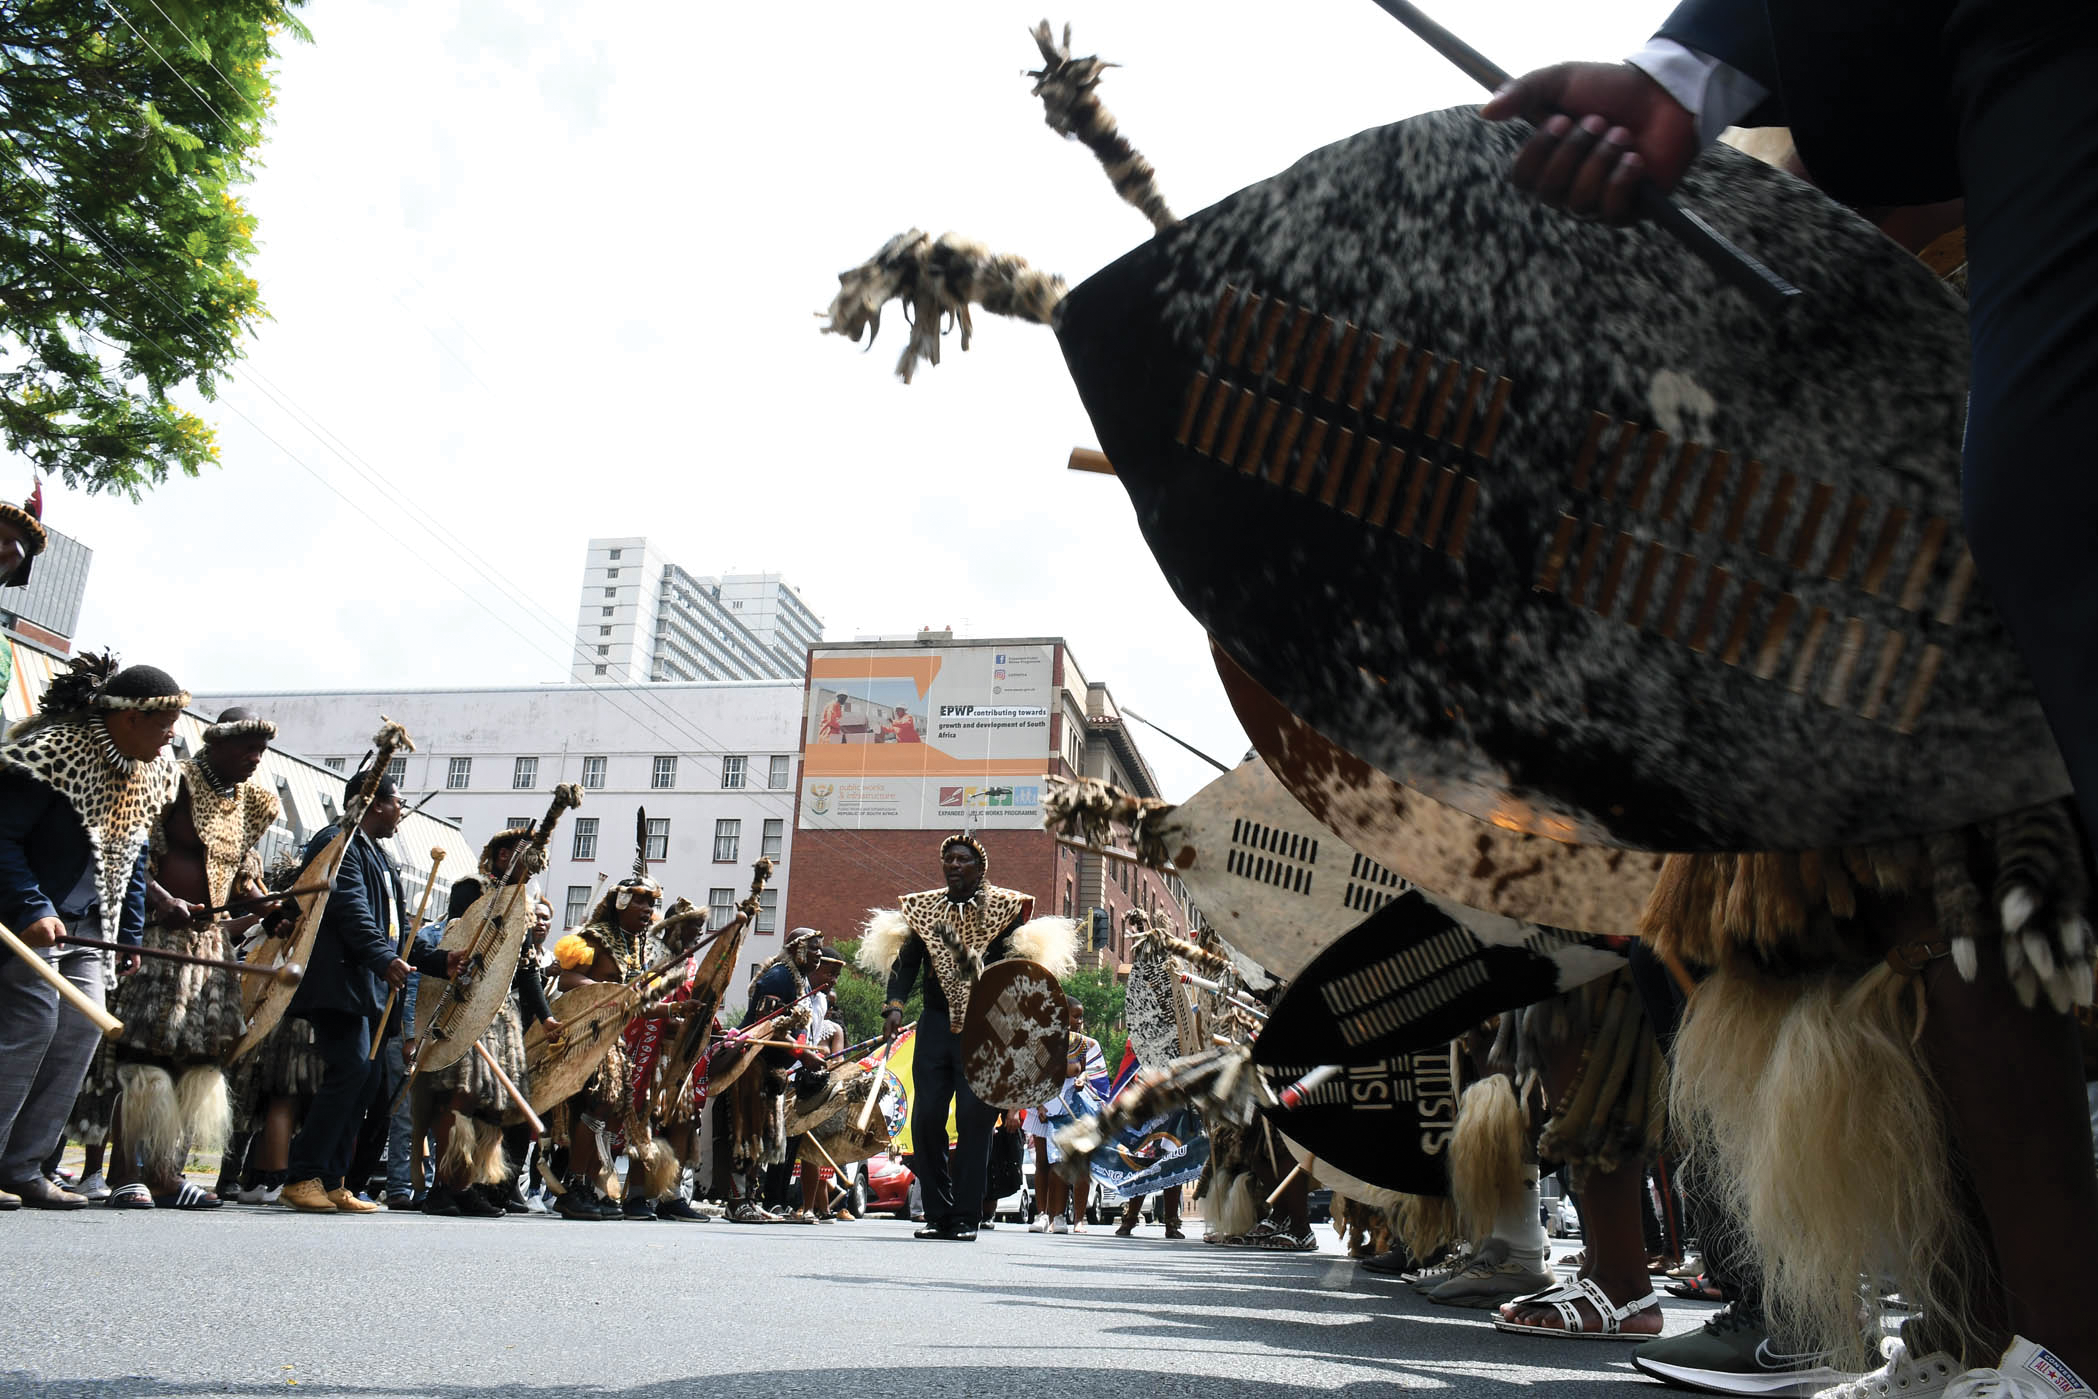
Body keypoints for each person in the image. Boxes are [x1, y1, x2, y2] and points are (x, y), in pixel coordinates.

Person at [1487, 18, 2098, 1390]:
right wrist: (1687, 82)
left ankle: (2053, 1340)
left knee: (1981, 846)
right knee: (1900, 900)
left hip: (1957, 354)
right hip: (1866, 442)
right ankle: (1996, 1337)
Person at [0, 655, 187, 1210]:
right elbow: (2, 839)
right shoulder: (51, 756)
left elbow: (129, 859)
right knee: (33, 1023)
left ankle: (23, 1166)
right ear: (129, 718)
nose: (171, 736)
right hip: (29, 922)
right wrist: (33, 906)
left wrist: (128, 932)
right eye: (163, 722)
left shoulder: (149, 771)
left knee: (79, 1034)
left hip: (88, 928)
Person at [86, 707, 281, 1210]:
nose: (254, 759)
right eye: (246, 748)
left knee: (194, 1060)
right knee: (143, 1054)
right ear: (215, 743)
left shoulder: (252, 802)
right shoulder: (171, 782)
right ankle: (125, 1172)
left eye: (261, 751)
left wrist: (269, 908)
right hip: (157, 939)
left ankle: (167, 1175)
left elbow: (243, 879)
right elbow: (128, 853)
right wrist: (160, 900)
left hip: (209, 950)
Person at [859, 833, 1076, 1241]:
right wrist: (894, 1006)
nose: (954, 866)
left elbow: (1021, 974)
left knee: (974, 1123)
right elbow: (906, 964)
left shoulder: (1008, 909)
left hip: (986, 1032)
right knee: (926, 1119)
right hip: (935, 1025)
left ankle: (965, 1216)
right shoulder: (923, 910)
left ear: (981, 869)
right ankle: (937, 1212)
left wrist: (1020, 1036)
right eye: (949, 860)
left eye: (963, 860)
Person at [278, 769, 459, 1215]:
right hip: (341, 982)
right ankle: (303, 1175)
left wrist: (437, 961)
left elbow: (395, 931)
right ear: (375, 802)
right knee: (351, 1070)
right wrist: (381, 958)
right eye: (398, 803)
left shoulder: (378, 856)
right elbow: (349, 911)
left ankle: (335, 1179)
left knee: (364, 1083)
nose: (403, 812)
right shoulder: (337, 843)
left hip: (371, 988)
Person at [409, 828, 557, 1219]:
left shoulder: (521, 903)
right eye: (525, 858)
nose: (532, 868)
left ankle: (470, 1185)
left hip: (503, 1012)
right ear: (504, 855)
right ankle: (445, 1186)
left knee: (492, 1107)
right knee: (462, 1096)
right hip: (466, 1002)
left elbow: (525, 970)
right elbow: (452, 942)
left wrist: (547, 1017)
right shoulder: (470, 888)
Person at [1025, 998, 1107, 1235]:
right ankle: (1044, 1214)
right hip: (1044, 1107)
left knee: (1079, 1163)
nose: (1079, 1022)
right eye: (1074, 1016)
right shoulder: (1043, 1043)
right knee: (1044, 1162)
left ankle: (1075, 1218)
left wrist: (1084, 1080)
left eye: (1081, 1017)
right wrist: (1038, 1104)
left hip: (1076, 1109)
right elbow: (1031, 1076)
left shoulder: (1089, 1045)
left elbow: (1099, 1077)